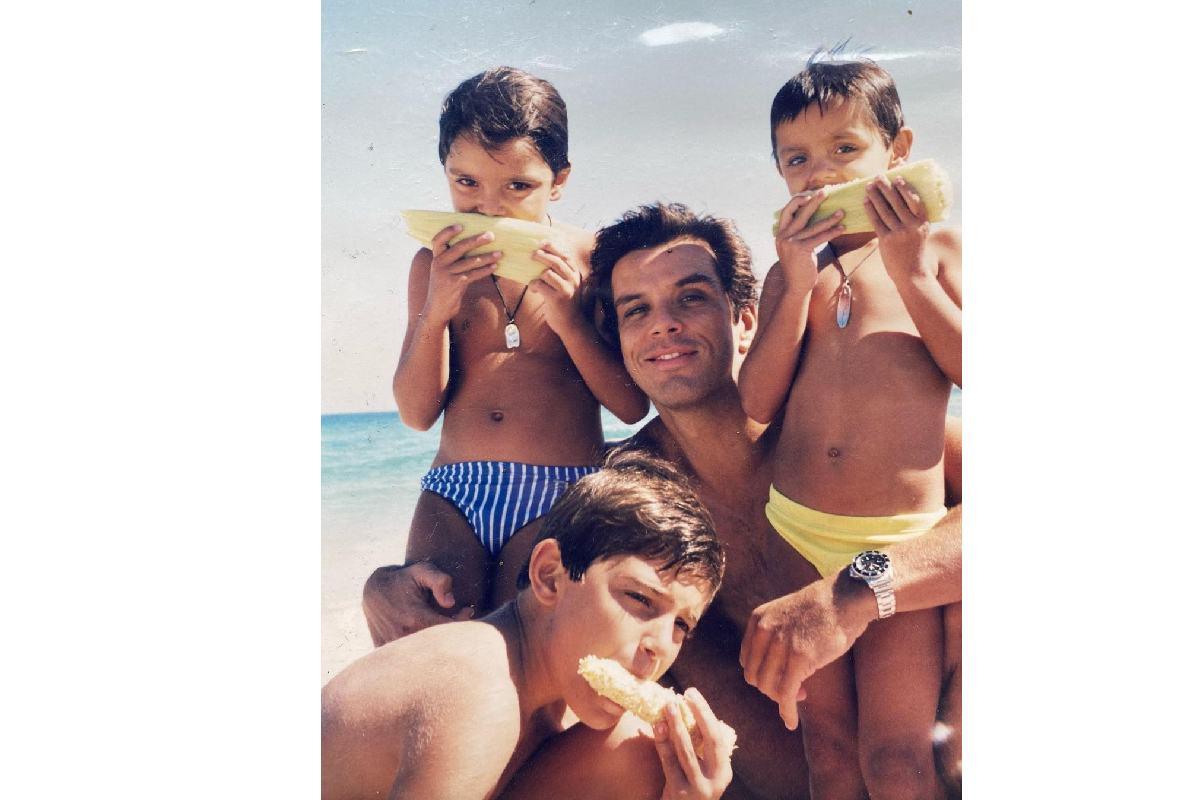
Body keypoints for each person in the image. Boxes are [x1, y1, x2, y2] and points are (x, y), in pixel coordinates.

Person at [366, 203, 964, 798]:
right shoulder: (633, 487)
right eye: (636, 310)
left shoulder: (837, 425)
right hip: (784, 768)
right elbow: (527, 603)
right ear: (619, 342)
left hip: (931, 730)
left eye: (691, 298)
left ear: (746, 320)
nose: (664, 325)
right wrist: (387, 586)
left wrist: (851, 594)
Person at [736, 59, 962, 799]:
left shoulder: (938, 251)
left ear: (899, 151)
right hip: (797, 532)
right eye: (796, 159)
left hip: (897, 542)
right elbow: (756, 402)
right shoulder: (790, 273)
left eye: (844, 149)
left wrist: (911, 274)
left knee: (896, 758)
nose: (820, 173)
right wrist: (796, 284)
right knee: (828, 754)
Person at [389, 66, 648, 634]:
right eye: (466, 182)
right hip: (454, 492)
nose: (490, 208)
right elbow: (416, 413)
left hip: (561, 489)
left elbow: (631, 407)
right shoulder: (433, 265)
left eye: (518, 187)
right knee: (434, 640)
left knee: (518, 645)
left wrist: (570, 318)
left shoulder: (594, 260)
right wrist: (438, 308)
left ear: (559, 181)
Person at [323, 451, 735, 800]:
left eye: (681, 625)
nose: (660, 645)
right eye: (640, 598)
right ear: (550, 575)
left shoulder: (553, 702)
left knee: (638, 751)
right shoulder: (481, 692)